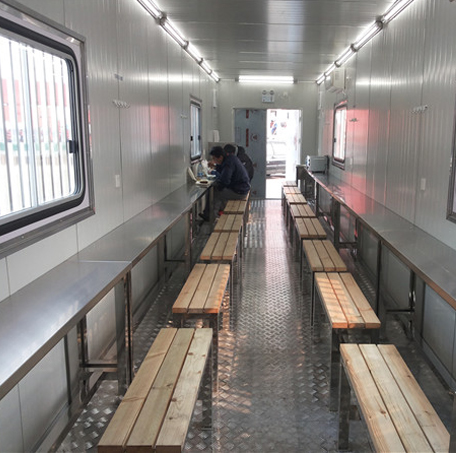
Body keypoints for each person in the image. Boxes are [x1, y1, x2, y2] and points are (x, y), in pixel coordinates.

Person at [200, 146, 250, 221]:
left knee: (215, 192)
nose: (213, 161)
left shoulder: (228, 163)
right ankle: (209, 214)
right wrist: (215, 167)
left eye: (214, 158)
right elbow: (224, 171)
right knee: (217, 190)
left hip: (239, 192)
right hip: (242, 188)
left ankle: (212, 217)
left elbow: (225, 181)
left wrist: (216, 178)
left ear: (220, 157)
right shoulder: (230, 158)